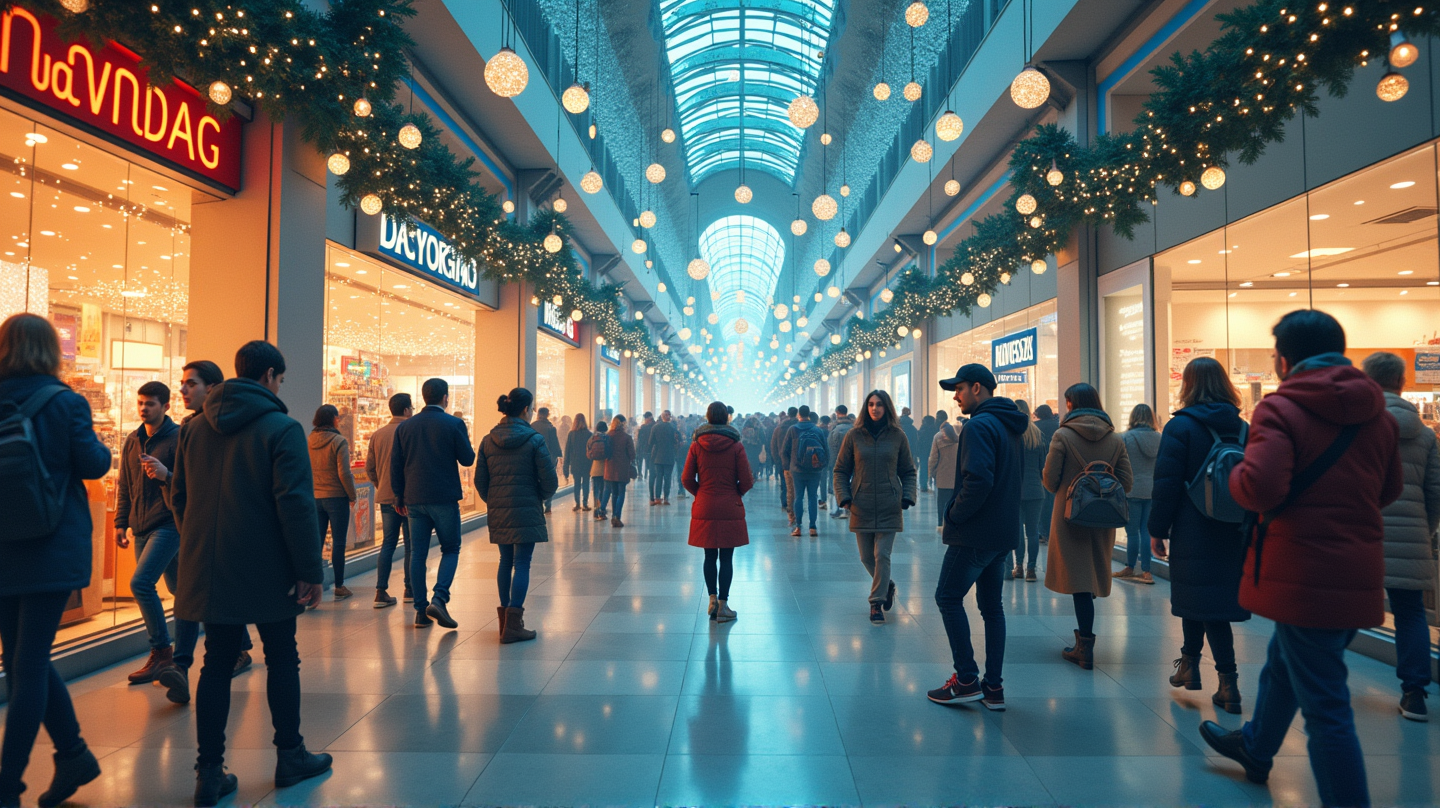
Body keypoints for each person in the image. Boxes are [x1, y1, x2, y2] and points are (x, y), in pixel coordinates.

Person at [1200, 310, 1401, 808]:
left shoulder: (1281, 408)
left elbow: (1260, 487)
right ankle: (1255, 746)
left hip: (1302, 571)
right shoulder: (1376, 411)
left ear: (1285, 358)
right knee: (1282, 664)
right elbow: (1389, 488)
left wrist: (1233, 478)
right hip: (1358, 567)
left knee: (1327, 711)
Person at [170, 340, 332, 805]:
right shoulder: (281, 429)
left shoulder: (194, 430)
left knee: (217, 661)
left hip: (209, 565)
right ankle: (290, 755)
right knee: (282, 655)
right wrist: (309, 569)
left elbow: (178, 495)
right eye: (280, 379)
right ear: (269, 377)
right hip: (269, 566)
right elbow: (296, 505)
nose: (280, 385)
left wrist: (201, 541)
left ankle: (208, 772)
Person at [0, 314, 111, 808]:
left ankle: (73, 755)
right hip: (51, 543)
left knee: (22, 660)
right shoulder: (66, 402)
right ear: (51, 350)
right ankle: (11, 782)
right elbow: (91, 464)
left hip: (5, 545)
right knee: (30, 664)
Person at [1149, 357, 1251, 714]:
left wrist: (1157, 530)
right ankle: (1188, 668)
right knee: (1201, 599)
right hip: (1233, 529)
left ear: (1188, 384)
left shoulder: (1181, 428)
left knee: (1208, 607)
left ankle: (1229, 683)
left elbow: (1166, 485)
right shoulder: (1242, 429)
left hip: (1193, 527)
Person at [926, 365, 1027, 710]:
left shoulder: (979, 426)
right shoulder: (1010, 425)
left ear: (978, 388)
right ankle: (993, 688)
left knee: (948, 596)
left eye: (960, 388)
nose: (955, 396)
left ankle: (966, 679)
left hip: (975, 533)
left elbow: (979, 480)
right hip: (1002, 532)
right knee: (992, 607)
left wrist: (954, 513)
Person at [155, 360, 254, 699]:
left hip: (220, 530)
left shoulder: (225, 427)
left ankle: (202, 660)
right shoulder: (190, 428)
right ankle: (181, 666)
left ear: (212, 388)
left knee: (203, 597)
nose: (182, 389)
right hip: (203, 529)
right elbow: (181, 487)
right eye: (182, 383)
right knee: (192, 596)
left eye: (191, 384)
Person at [1363, 351, 1440, 721]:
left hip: (1362, 533)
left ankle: (1322, 678)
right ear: (1403, 383)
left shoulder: (1360, 426)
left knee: (1344, 609)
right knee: (1411, 614)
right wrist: (1424, 532)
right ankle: (1414, 693)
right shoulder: (1425, 435)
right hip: (1411, 535)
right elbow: (1435, 492)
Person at [1042, 383, 1133, 670]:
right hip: (1103, 518)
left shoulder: (1063, 435)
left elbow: (1050, 480)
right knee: (1091, 575)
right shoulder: (1115, 439)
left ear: (1071, 404)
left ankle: (1085, 647)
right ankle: (1085, 643)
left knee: (1080, 581)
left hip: (1070, 517)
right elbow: (1126, 482)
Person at [115, 381, 197, 694]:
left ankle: (162, 652)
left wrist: (166, 476)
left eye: (150, 403)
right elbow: (125, 484)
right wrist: (121, 522)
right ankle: (240, 640)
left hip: (169, 523)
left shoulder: (178, 439)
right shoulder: (133, 440)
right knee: (180, 589)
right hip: (141, 525)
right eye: (140, 403)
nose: (143, 408)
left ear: (165, 406)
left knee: (140, 583)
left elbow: (189, 486)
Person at [393, 377, 477, 630]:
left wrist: (399, 496)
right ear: (445, 397)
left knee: (418, 553)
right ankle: (439, 599)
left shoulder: (406, 427)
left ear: (423, 397)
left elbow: (395, 465)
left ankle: (420, 611)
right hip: (443, 496)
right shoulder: (453, 423)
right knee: (450, 549)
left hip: (414, 499)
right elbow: (468, 459)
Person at [476, 388, 558, 643]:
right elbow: (550, 480)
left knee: (505, 560)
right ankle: (514, 624)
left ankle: (504, 622)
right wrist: (538, 497)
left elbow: (481, 481)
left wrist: (495, 500)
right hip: (526, 507)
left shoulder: (488, 440)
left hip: (499, 508)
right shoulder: (534, 440)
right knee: (522, 563)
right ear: (525, 409)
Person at [833, 390, 917, 624]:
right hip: (862, 504)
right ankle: (887, 585)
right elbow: (840, 470)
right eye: (870, 404)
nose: (874, 408)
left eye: (879, 404)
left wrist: (907, 496)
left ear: (887, 407)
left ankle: (876, 603)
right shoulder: (854, 436)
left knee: (882, 554)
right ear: (865, 407)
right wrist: (845, 498)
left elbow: (908, 470)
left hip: (890, 504)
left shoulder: (898, 436)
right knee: (866, 557)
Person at [684, 401, 755, 624]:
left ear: (707, 417)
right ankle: (724, 605)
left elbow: (686, 478)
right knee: (726, 557)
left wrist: (702, 493)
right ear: (726, 418)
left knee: (708, 556)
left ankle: (711, 599)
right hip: (728, 504)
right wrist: (735, 494)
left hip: (704, 503)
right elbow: (747, 480)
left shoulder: (696, 445)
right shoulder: (736, 445)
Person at [366, 393, 413, 608]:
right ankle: (409, 589)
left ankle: (380, 591)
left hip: (386, 497)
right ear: (406, 410)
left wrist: (381, 485)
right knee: (411, 545)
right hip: (410, 497)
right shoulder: (411, 431)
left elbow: (370, 468)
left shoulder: (378, 434)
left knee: (388, 544)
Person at [309, 404, 357, 600]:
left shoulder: (310, 440)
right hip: (336, 497)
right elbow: (344, 472)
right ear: (333, 419)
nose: (339, 420)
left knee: (316, 542)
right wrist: (352, 495)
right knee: (339, 542)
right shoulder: (339, 441)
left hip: (315, 496)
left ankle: (313, 584)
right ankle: (339, 585)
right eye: (337, 417)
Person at [1117, 403, 1161, 585]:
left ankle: (1129, 567)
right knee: (1146, 531)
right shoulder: (1160, 438)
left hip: (1131, 489)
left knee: (1132, 532)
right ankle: (1147, 571)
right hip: (1152, 490)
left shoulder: (1125, 438)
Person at [781, 405, 827, 537]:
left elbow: (784, 450)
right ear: (810, 414)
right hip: (815, 469)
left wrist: (789, 466)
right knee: (813, 497)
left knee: (798, 497)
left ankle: (798, 527)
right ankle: (813, 527)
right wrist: (822, 465)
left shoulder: (793, 429)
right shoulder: (818, 430)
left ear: (798, 415)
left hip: (797, 470)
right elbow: (825, 449)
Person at [1014, 401, 1045, 582]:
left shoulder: (1013, 434)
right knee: (1033, 532)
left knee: (1017, 531)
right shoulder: (1037, 435)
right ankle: (1031, 570)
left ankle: (1018, 567)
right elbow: (1043, 466)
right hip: (1035, 490)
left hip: (1016, 491)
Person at [604, 414, 638, 527]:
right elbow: (632, 454)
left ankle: (614, 514)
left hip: (609, 468)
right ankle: (617, 516)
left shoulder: (608, 436)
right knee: (621, 492)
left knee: (614, 493)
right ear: (623, 424)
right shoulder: (627, 437)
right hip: (622, 468)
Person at [1033, 404, 1060, 543]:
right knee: (1055, 500)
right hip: (1057, 465)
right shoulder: (1058, 426)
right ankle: (1054, 532)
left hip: (1041, 467)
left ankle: (1043, 532)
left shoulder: (1035, 427)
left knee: (1043, 503)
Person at [928, 416, 959, 529]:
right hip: (956, 477)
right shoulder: (958, 438)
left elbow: (933, 458)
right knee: (954, 501)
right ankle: (953, 522)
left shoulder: (938, 437)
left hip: (942, 476)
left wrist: (931, 473)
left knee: (941, 502)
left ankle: (941, 523)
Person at [530, 407, 562, 514]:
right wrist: (558, 456)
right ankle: (548, 505)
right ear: (547, 415)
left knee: (535, 481)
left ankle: (537, 503)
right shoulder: (550, 427)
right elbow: (554, 444)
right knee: (548, 481)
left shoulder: (532, 426)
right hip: (549, 458)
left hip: (534, 458)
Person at [564, 413, 594, 512]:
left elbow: (567, 451)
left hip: (575, 463)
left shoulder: (571, 434)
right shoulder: (589, 434)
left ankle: (577, 504)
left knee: (577, 484)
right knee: (586, 483)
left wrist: (566, 466)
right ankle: (585, 504)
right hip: (587, 463)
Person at [650, 410, 681, 505]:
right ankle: (666, 498)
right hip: (669, 456)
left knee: (659, 477)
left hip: (658, 457)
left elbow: (650, 442)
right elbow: (677, 441)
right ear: (670, 417)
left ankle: (657, 498)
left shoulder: (655, 427)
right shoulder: (673, 428)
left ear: (661, 416)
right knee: (667, 477)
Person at [828, 405, 854, 518]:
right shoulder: (854, 429)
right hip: (853, 461)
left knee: (838, 485)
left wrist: (831, 463)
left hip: (838, 461)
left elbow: (832, 448)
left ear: (837, 412)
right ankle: (849, 509)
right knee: (851, 483)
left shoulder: (835, 429)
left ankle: (838, 509)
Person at [773, 407, 798, 521]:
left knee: (784, 485)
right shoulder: (800, 427)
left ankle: (785, 504)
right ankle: (796, 506)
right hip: (798, 461)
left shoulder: (779, 428)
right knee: (798, 486)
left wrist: (777, 459)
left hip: (783, 460)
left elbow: (773, 445)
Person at [588, 421, 611, 520]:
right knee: (603, 490)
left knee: (595, 491)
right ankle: (602, 509)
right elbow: (610, 452)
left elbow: (588, 454)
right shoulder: (607, 438)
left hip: (594, 469)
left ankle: (595, 509)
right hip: (605, 468)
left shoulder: (591, 438)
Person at [917, 414, 938, 492]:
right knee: (935, 466)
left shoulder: (921, 430)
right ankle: (935, 482)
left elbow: (918, 442)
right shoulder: (935, 430)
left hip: (923, 452)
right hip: (933, 450)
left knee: (923, 468)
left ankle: (923, 486)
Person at [635, 411, 655, 488]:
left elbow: (640, 439)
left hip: (643, 448)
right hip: (650, 448)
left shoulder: (643, 427)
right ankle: (647, 473)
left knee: (639, 460)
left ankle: (640, 473)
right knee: (648, 463)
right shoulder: (654, 425)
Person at [899, 406, 920, 478]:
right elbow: (915, 441)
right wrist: (915, 453)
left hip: (898, 450)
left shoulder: (897, 427)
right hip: (910, 450)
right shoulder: (913, 428)